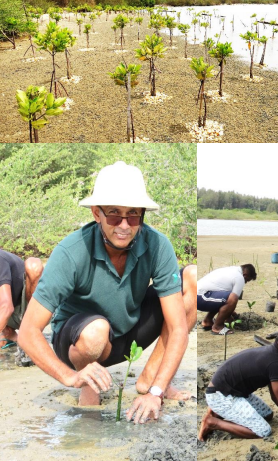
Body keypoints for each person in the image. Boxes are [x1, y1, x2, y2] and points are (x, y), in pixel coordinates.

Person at [18, 161, 197, 424]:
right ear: (96, 213)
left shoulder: (157, 245)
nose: (124, 225)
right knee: (96, 330)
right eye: (114, 214)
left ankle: (153, 379)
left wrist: (156, 394)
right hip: (79, 342)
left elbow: (179, 328)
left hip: (127, 332)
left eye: (133, 215)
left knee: (191, 278)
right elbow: (27, 332)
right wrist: (69, 377)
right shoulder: (71, 252)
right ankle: (88, 387)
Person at [198, 325, 278, 440]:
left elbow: (276, 397)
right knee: (263, 431)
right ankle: (213, 422)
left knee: (267, 415)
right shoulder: (274, 364)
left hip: (232, 391)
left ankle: (217, 412)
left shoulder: (272, 354)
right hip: (221, 395)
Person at [0, 251, 43, 350]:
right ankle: (8, 334)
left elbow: (6, 307)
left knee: (33, 264)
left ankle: (31, 332)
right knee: (2, 342)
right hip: (7, 316)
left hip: (30, 308)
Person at [197, 264, 257, 335]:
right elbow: (232, 300)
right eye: (246, 280)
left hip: (198, 295)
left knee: (223, 298)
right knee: (233, 298)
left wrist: (231, 313)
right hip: (201, 297)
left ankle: (208, 321)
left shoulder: (230, 270)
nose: (245, 282)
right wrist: (228, 316)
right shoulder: (239, 277)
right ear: (245, 275)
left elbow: (223, 299)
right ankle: (217, 327)